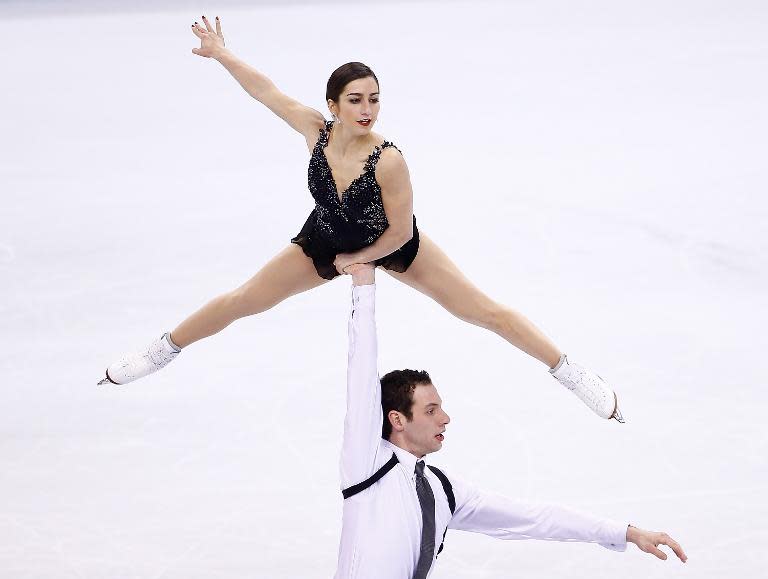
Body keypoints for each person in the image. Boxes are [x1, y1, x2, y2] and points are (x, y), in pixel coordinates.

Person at [98, 14, 622, 421]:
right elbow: (266, 90)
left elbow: (397, 230)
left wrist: (360, 259)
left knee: (482, 311)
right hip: (324, 238)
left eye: (374, 99)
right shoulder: (314, 131)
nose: (367, 108)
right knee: (243, 301)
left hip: (393, 245)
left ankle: (570, 371)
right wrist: (221, 54)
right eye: (356, 100)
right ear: (332, 106)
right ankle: (161, 351)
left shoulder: (388, 158)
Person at [336, 263, 685, 578]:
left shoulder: (443, 491)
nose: (445, 418)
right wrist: (363, 284)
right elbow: (361, 370)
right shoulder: (368, 463)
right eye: (431, 410)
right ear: (396, 419)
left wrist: (625, 532)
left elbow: (534, 519)